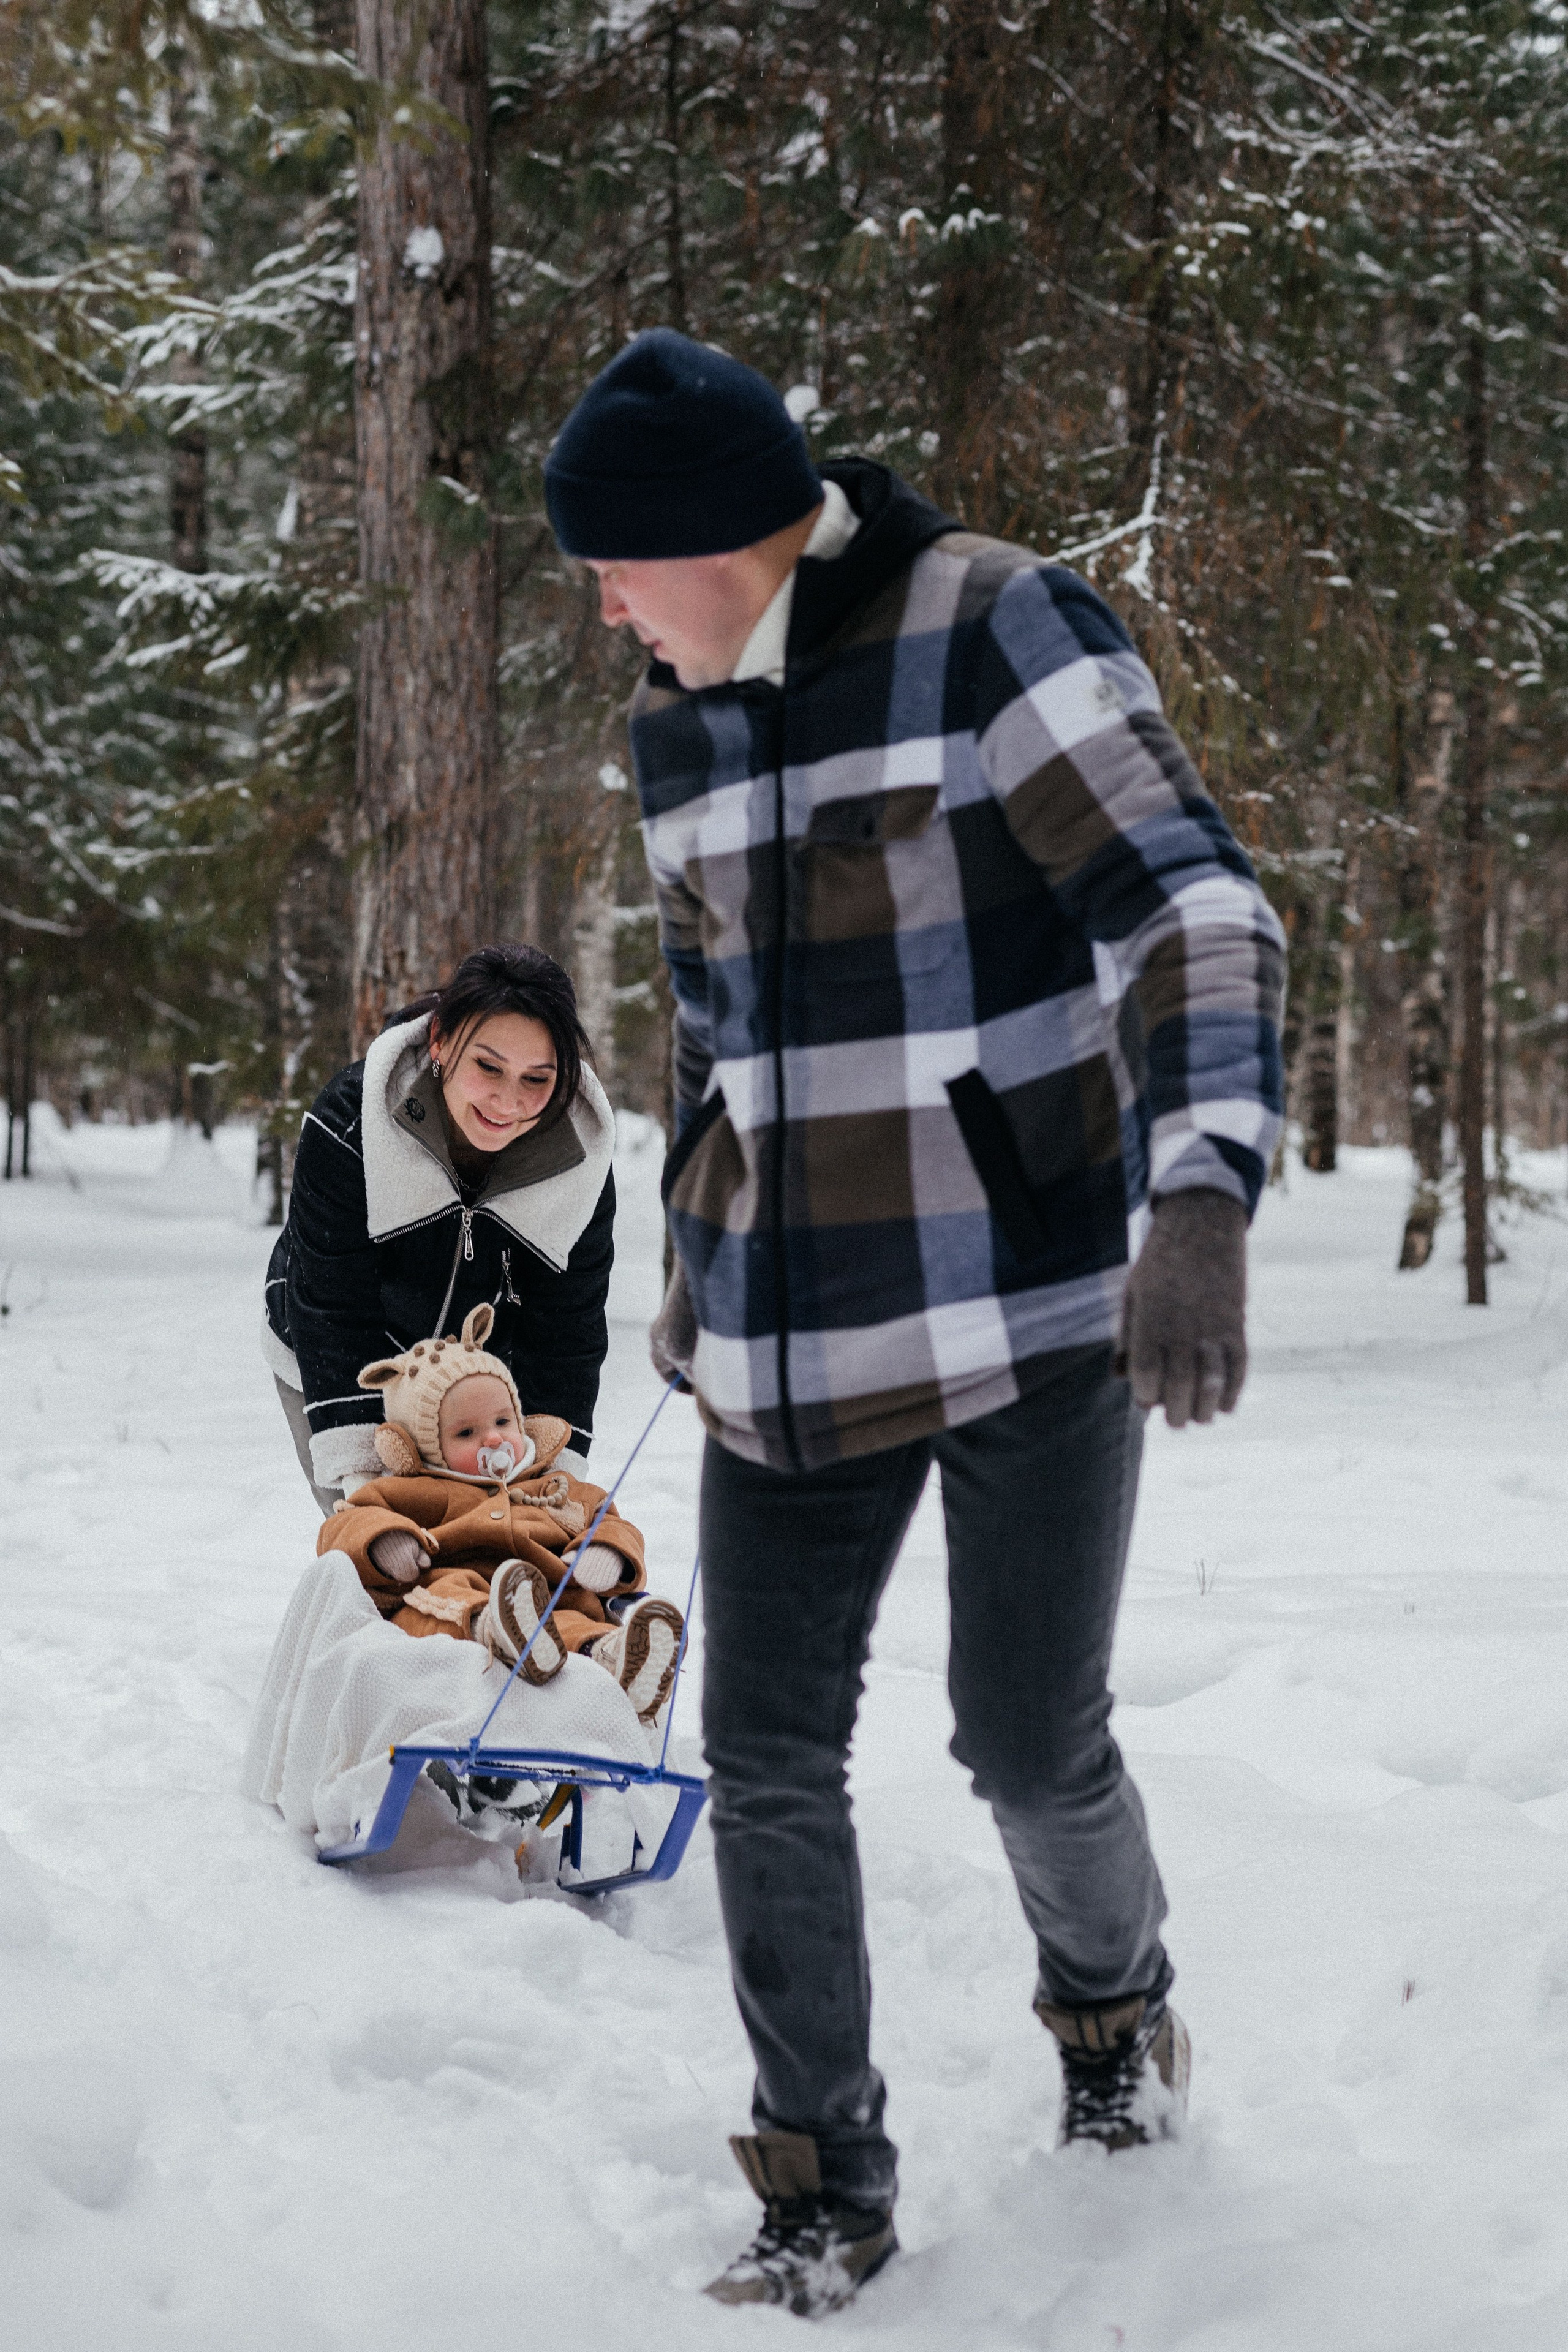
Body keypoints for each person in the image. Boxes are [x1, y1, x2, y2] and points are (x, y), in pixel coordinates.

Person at [543, 330, 1286, 2315]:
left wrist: (1201, 1194)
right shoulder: (677, 718)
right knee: (768, 1755)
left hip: (1029, 1302)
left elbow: (1193, 909)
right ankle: (821, 2185)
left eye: (613, 568)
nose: (605, 609)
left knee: (1027, 1744)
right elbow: (716, 1030)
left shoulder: (990, 629)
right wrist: (693, 1267)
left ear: (712, 536)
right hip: (794, 1334)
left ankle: (1114, 2016)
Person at [263, 943, 615, 1513]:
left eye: (537, 1078)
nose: (508, 1101)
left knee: (497, 1541)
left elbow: (566, 1332)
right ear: (441, 1042)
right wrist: (369, 1493)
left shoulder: (578, 1163)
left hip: (479, 1388)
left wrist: (552, 1476)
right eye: (488, 1067)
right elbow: (333, 1309)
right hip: (348, 1359)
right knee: (381, 1547)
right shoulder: (352, 1123)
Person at [322, 1302, 686, 1722]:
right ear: (423, 1446)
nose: (493, 1439)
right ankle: (497, 1629)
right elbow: (345, 1523)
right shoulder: (410, 1491)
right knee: (446, 1596)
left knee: (572, 1620)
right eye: (466, 1432)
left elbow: (609, 1520)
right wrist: (383, 1540)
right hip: (450, 1601)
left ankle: (614, 1658)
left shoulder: (552, 1486)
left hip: (549, 1600)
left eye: (502, 1421)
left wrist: (604, 1550)